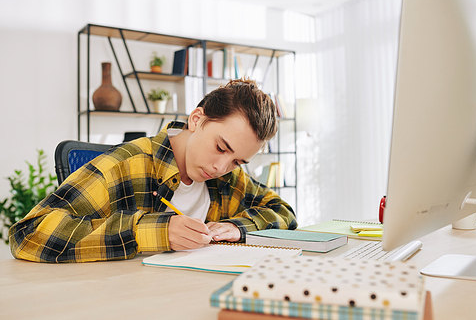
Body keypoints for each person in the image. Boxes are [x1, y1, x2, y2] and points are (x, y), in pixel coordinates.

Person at [9, 78, 297, 263]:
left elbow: (283, 212)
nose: (221, 167)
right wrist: (151, 232)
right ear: (197, 119)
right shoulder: (125, 164)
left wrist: (237, 228)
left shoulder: (230, 177)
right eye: (221, 148)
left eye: (237, 161)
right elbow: (27, 234)